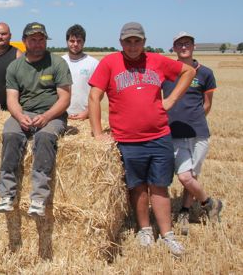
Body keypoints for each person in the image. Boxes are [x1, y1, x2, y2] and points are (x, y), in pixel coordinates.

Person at [88, 22, 195, 257]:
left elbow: (189, 72)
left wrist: (172, 100)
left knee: (160, 186)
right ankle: (145, 229)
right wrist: (97, 133)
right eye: (128, 41)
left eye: (137, 41)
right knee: (137, 188)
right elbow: (94, 96)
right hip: (127, 140)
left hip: (159, 136)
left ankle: (168, 234)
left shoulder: (156, 61)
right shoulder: (109, 63)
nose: (133, 46)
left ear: (144, 42)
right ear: (121, 43)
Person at [0, 22, 72, 217]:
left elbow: (64, 98)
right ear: (24, 42)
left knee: (45, 137)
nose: (37, 44)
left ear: (46, 41)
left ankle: (38, 197)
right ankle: (6, 194)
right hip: (25, 112)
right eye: (33, 40)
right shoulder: (15, 66)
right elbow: (11, 98)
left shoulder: (57, 64)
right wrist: (20, 117)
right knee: (11, 134)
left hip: (53, 114)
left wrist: (47, 117)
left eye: (41, 40)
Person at [162, 31, 223, 235]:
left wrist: (193, 118)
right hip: (175, 132)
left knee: (192, 175)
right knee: (185, 177)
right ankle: (210, 203)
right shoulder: (168, 72)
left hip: (198, 132)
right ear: (174, 48)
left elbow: (207, 104)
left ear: (193, 46)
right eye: (179, 44)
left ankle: (185, 211)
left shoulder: (205, 73)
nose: (184, 47)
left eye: (187, 43)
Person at [61, 24, 99, 120]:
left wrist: (87, 112)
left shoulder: (93, 63)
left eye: (79, 41)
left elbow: (98, 92)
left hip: (86, 116)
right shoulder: (59, 63)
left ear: (84, 42)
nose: (75, 44)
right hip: (62, 115)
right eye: (72, 41)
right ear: (67, 41)